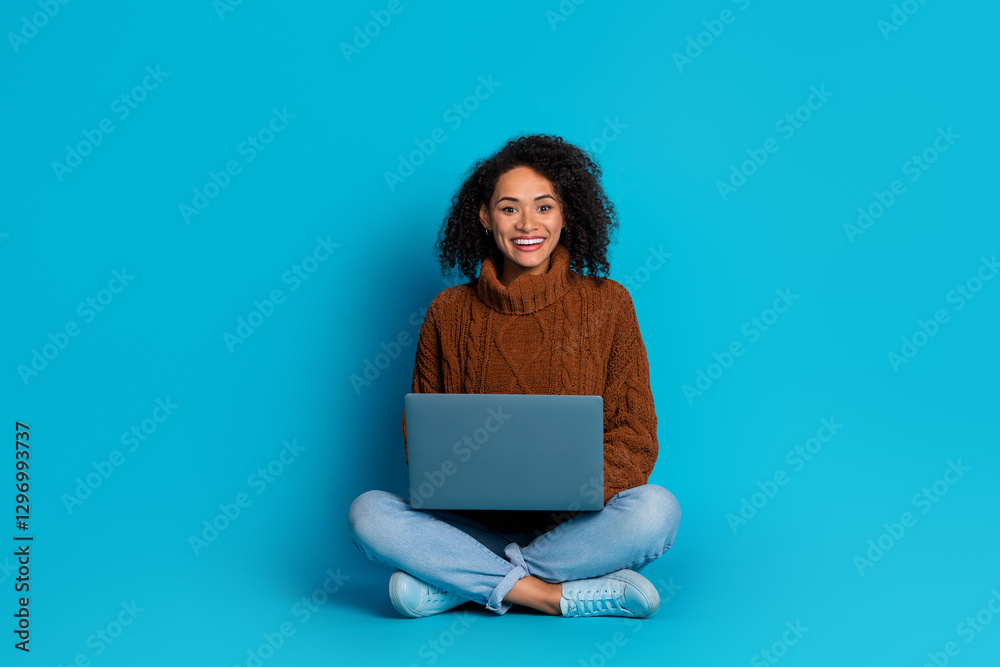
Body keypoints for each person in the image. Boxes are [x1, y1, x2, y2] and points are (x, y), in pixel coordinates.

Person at [349, 134, 681, 619]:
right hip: (470, 525)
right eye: (510, 209)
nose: (528, 224)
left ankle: (462, 581)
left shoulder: (609, 304)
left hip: (576, 526)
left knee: (657, 510)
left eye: (544, 207)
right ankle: (549, 593)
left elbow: (635, 437)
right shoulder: (449, 312)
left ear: (566, 214)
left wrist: (568, 491)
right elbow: (421, 442)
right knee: (368, 513)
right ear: (485, 217)